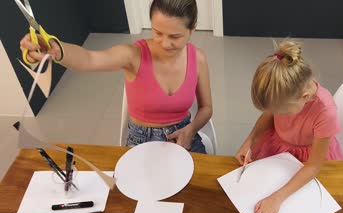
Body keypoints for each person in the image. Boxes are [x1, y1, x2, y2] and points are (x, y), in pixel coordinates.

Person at [19, 0, 212, 153]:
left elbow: (206, 108)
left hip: (185, 136)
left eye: (175, 37)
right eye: (158, 33)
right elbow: (89, 59)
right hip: (142, 141)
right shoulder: (133, 55)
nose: (164, 43)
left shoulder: (199, 59)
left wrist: (192, 129)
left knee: (199, 195)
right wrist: (57, 50)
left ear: (192, 28)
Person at [235, 40, 343, 213]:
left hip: (309, 158)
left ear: (303, 98)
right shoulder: (285, 93)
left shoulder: (325, 111)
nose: (280, 115)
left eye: (283, 112)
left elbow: (313, 167)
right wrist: (249, 141)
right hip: (277, 146)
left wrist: (276, 198)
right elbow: (268, 117)